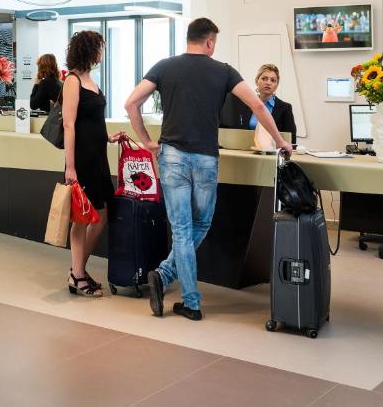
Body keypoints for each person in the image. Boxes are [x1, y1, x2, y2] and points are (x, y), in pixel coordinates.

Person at [124, 18, 292, 320]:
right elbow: (257, 105)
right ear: (210, 42)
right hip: (205, 159)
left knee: (184, 230)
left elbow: (131, 103)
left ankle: (163, 276)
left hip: (172, 156)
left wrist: (146, 141)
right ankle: (190, 300)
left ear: (189, 38)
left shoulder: (165, 66)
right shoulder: (224, 71)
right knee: (197, 226)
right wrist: (280, 141)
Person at [62, 31, 129, 297]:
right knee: (81, 218)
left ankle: (77, 269)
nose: (102, 52)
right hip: (81, 159)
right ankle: (77, 274)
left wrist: (110, 137)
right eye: (100, 47)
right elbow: (69, 124)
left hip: (98, 156)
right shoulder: (72, 80)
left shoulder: (91, 81)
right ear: (89, 50)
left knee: (101, 217)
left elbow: (93, 123)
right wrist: (70, 167)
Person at [221, 64, 297, 144]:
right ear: (257, 81)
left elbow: (291, 139)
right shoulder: (246, 103)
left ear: (277, 85)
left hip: (273, 153)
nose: (268, 83)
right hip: (247, 149)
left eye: (273, 80)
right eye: (264, 79)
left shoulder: (285, 108)